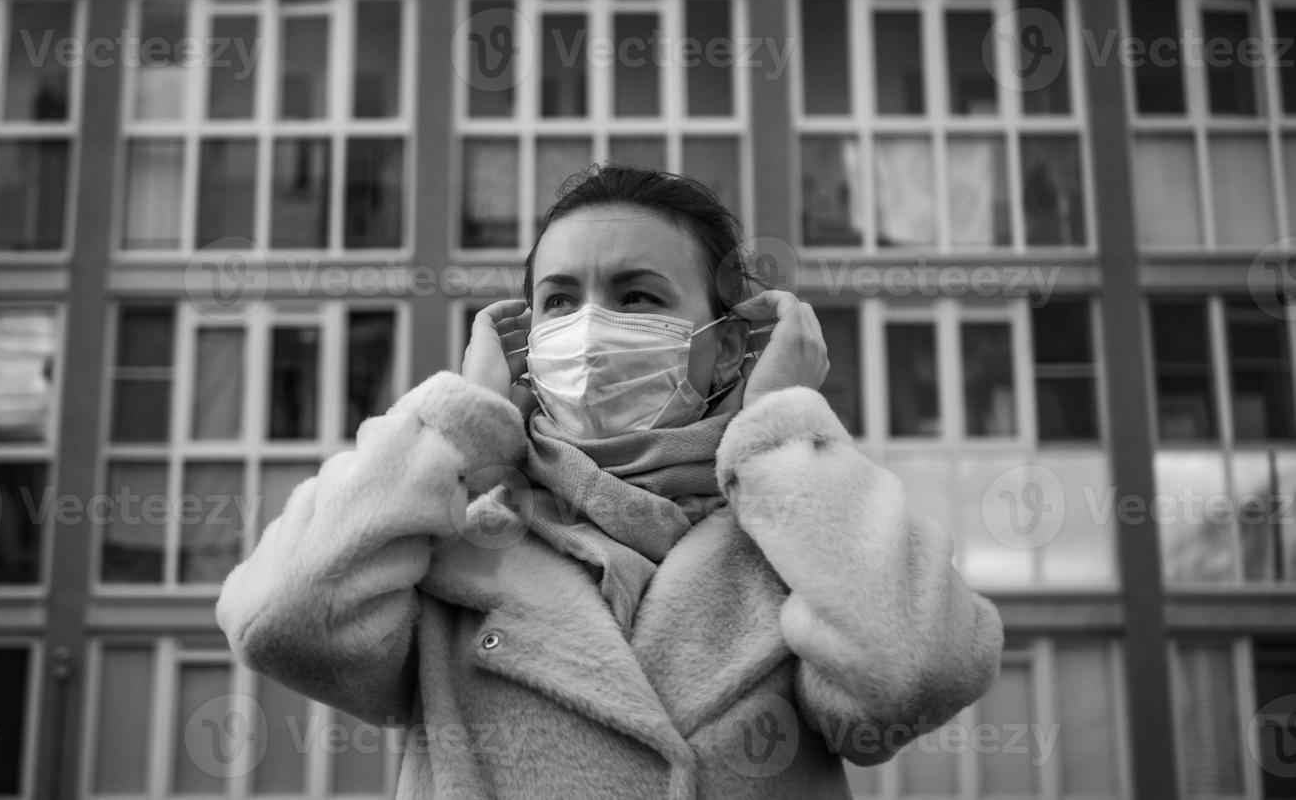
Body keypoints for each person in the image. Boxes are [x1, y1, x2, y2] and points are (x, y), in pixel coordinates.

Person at [216, 165, 1004, 799]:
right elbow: (281, 617)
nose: (589, 329)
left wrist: (784, 433)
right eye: (559, 301)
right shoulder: (451, 549)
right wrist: (463, 421)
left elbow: (915, 671)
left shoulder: (794, 546)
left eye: (636, 296)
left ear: (728, 349)